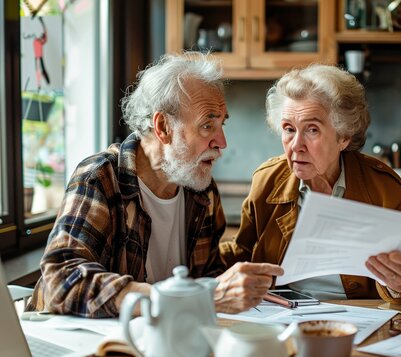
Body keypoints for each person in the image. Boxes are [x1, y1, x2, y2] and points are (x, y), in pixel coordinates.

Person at [27, 52, 283, 318]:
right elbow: (61, 281)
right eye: (207, 125)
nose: (222, 141)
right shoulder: (100, 178)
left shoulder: (202, 191)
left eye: (221, 124)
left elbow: (208, 282)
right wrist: (179, 298)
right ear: (163, 127)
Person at [221, 64, 401, 305]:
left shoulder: (380, 186)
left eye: (312, 130)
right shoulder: (268, 180)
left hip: (358, 316)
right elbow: (241, 254)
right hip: (282, 312)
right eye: (289, 129)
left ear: (343, 137)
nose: (296, 145)